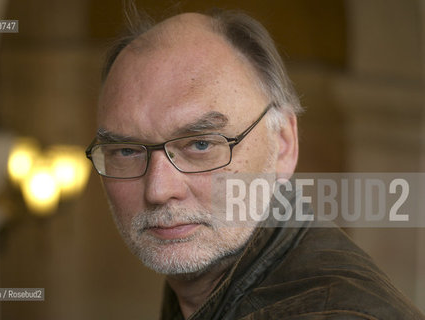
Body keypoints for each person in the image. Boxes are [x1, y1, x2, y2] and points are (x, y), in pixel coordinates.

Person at [85, 5, 425, 320]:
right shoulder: (202, 292)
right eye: (127, 150)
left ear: (283, 145)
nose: (159, 189)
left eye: (201, 143)